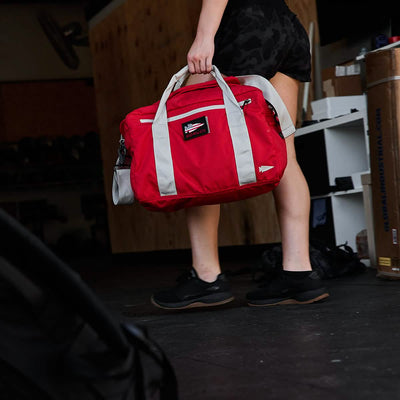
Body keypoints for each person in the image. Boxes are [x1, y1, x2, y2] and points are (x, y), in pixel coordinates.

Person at [151, 0, 329, 309]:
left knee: (199, 153)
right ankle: (299, 273)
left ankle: (206, 277)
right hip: (285, 25)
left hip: (246, 23)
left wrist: (205, 35)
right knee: (284, 150)